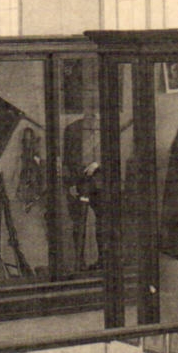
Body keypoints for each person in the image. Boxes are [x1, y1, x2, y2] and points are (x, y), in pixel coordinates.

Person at [63, 110, 102, 270]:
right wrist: (71, 184)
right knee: (79, 222)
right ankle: (79, 262)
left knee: (103, 222)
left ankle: (103, 261)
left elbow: (113, 154)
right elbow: (66, 160)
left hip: (100, 183)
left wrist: (98, 163)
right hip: (78, 182)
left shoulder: (105, 128)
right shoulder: (72, 130)